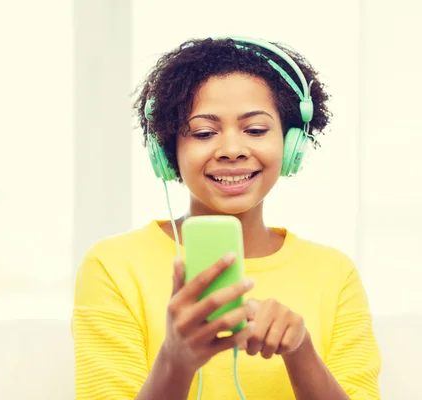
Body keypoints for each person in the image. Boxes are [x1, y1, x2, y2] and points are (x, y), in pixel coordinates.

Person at [72, 36, 381, 400]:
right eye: (204, 133)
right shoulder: (113, 266)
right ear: (168, 150)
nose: (232, 150)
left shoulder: (334, 273)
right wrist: (176, 360)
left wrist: (301, 353)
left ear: (292, 144)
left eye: (255, 130)